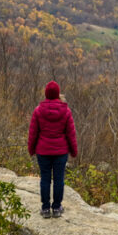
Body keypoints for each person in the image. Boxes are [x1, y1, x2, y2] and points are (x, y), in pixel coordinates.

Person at [27, 81, 78, 219]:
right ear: (57, 94)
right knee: (59, 179)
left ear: (46, 94)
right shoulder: (66, 111)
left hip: (43, 151)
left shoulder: (38, 111)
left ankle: (45, 209)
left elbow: (33, 133)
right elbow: (70, 134)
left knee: (45, 179)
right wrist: (74, 151)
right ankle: (56, 208)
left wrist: (31, 149)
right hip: (60, 152)